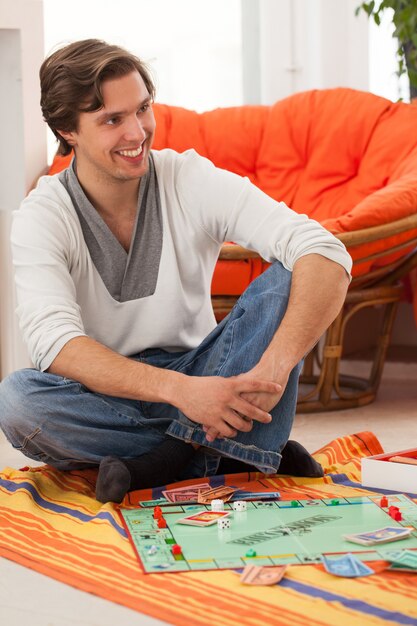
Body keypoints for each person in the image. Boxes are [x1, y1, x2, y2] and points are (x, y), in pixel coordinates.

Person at [0, 39, 351, 503]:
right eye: (112, 119)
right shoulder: (42, 215)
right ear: (68, 130)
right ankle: (237, 454)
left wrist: (275, 366)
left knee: (291, 276)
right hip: (114, 391)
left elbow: (326, 251)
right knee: (19, 400)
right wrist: (182, 393)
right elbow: (56, 344)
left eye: (143, 109)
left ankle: (160, 461)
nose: (137, 132)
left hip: (211, 370)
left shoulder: (188, 177)